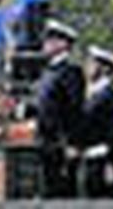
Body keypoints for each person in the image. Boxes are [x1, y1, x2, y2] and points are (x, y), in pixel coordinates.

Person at [34, 19, 85, 199]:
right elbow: (44, 106)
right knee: (48, 191)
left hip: (61, 143)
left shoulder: (70, 72)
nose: (45, 44)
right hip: (46, 142)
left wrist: (72, 142)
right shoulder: (48, 73)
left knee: (63, 193)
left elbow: (74, 109)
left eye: (50, 40)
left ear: (63, 44)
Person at [81, 47, 113, 198]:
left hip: (102, 157)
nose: (87, 67)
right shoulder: (93, 94)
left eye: (92, 63)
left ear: (104, 68)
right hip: (91, 156)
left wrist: (109, 160)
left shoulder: (108, 95)